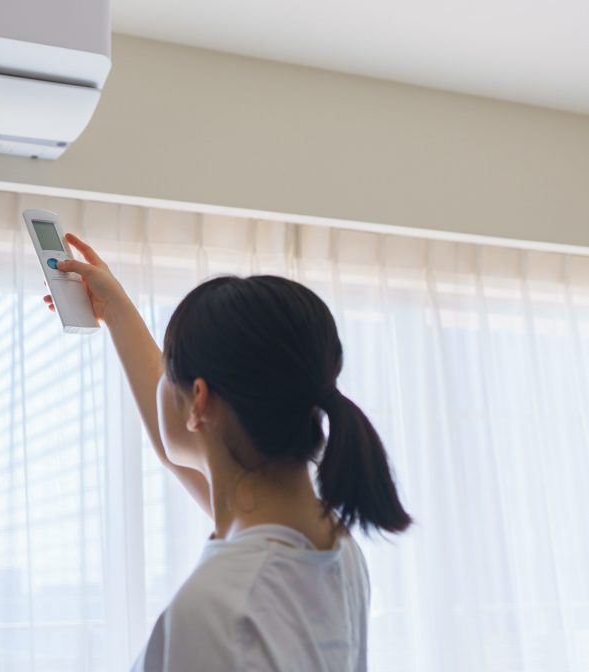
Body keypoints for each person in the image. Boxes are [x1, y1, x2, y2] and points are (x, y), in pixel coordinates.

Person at [44, 233, 412, 672]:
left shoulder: (218, 610)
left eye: (170, 368)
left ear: (199, 400)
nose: (162, 375)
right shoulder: (330, 546)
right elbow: (179, 445)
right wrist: (117, 312)